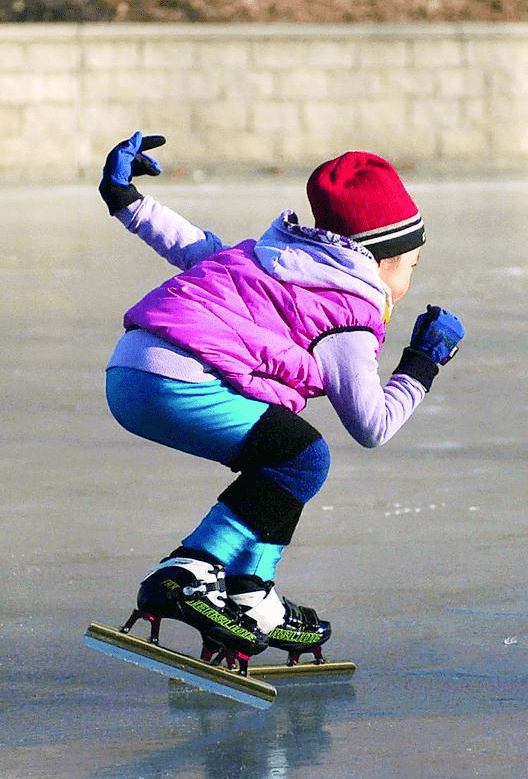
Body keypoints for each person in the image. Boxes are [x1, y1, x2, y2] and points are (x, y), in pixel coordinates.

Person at [100, 132, 464, 669]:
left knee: (284, 462)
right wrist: (422, 364)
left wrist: (126, 200)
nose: (411, 276)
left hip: (129, 370)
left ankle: (251, 591)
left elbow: (190, 245)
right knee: (304, 456)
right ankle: (186, 570)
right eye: (413, 263)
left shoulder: (270, 255)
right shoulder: (349, 311)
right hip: (182, 381)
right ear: (383, 261)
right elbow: (372, 425)